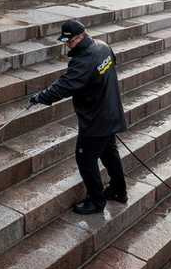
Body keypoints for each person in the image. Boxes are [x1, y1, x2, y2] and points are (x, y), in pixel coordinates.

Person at [29, 19, 128, 214]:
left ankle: (96, 201)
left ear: (81, 36)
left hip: (96, 120)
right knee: (109, 153)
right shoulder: (103, 47)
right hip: (111, 111)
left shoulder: (84, 60)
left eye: (71, 41)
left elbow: (66, 85)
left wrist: (41, 97)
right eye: (66, 42)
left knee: (85, 159)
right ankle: (118, 190)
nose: (68, 45)